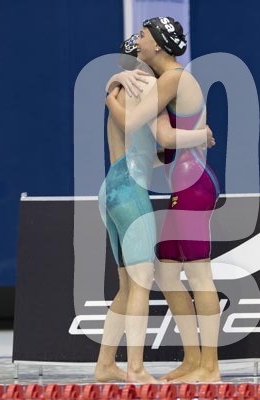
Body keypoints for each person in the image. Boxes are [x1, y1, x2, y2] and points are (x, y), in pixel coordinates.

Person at [105, 17, 222, 382]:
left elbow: (154, 132)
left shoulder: (173, 78)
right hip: (181, 183)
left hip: (194, 184)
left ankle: (210, 367)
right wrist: (116, 79)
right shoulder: (166, 81)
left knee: (199, 275)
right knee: (168, 274)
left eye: (142, 35)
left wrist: (109, 94)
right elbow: (163, 139)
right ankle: (192, 360)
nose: (137, 40)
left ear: (157, 43)